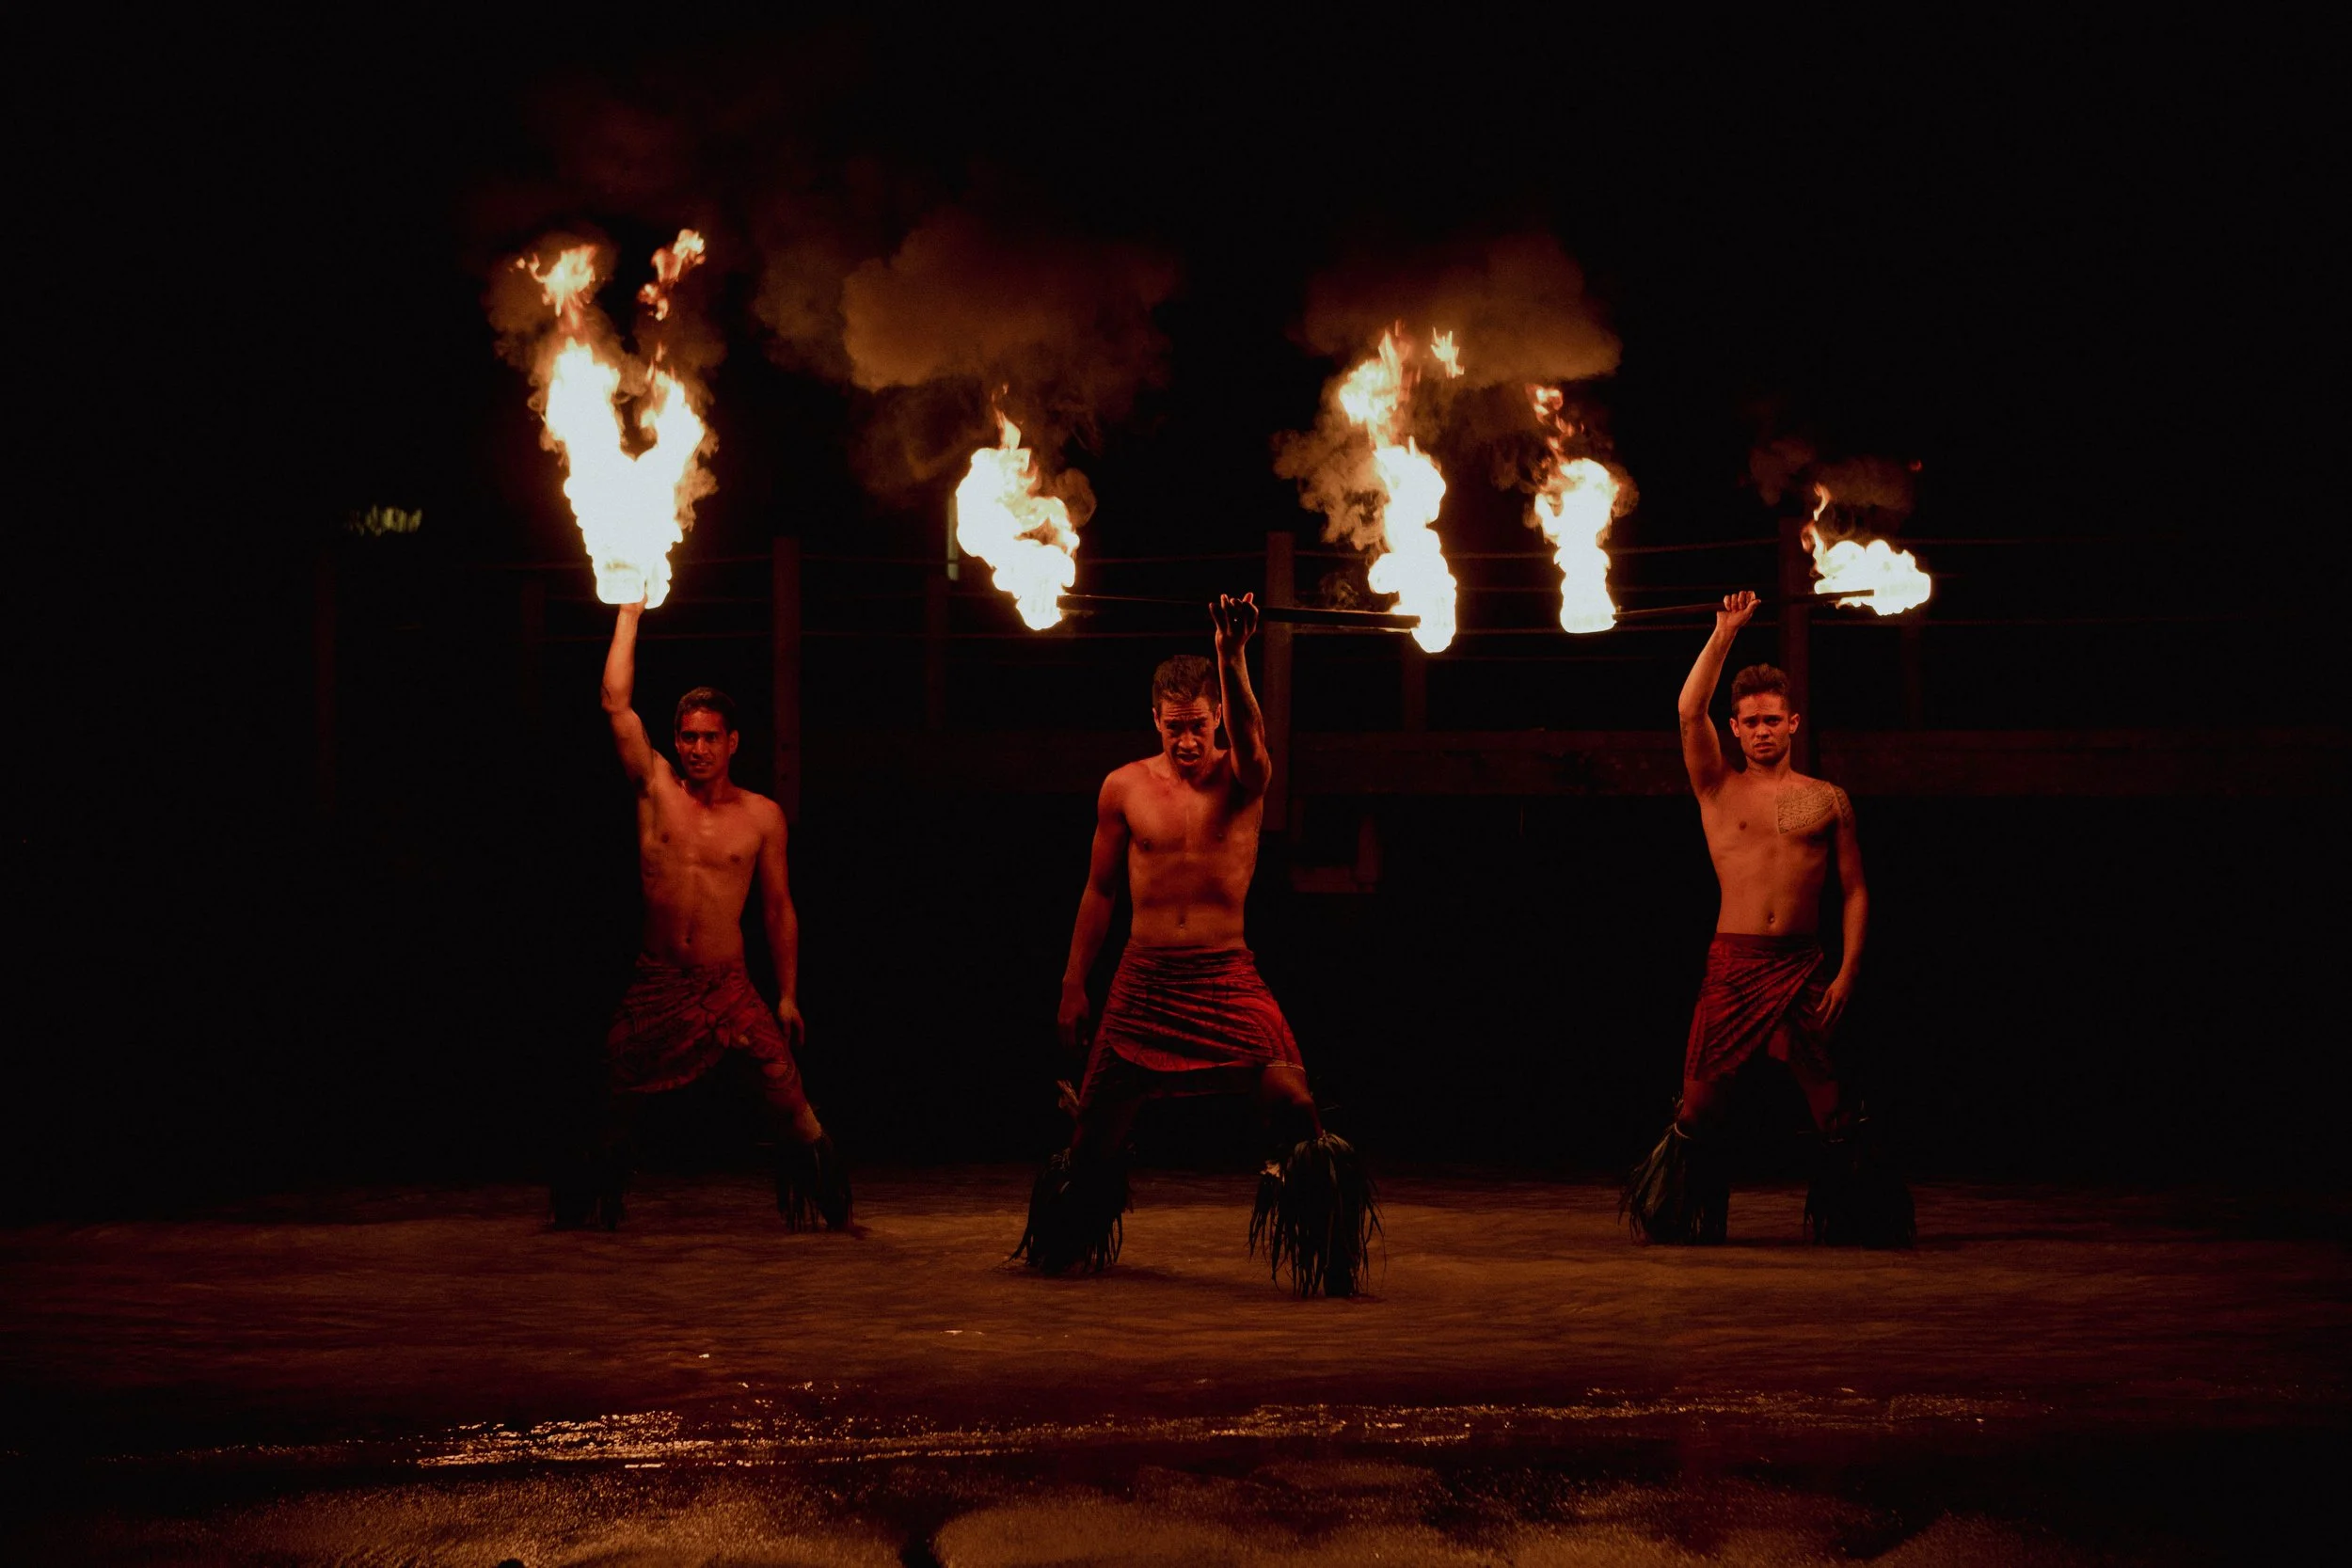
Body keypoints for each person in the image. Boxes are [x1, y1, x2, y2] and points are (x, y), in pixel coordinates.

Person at [1015, 594, 1377, 1296]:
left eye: (1200, 727)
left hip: (1223, 975)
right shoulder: (1123, 786)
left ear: (1218, 719)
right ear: (1155, 717)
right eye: (1175, 727)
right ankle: (1062, 1256)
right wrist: (1071, 982)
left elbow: (1254, 737)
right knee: (1091, 1141)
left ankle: (1328, 1256)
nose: (1187, 742)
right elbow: (1099, 891)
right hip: (1143, 979)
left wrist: (1232, 654)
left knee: (1295, 1100)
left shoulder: (1244, 778)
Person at [1622, 590, 1913, 1247]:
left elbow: (1857, 890)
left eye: (1772, 719)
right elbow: (1686, 708)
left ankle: (1856, 1217)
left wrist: (1846, 973)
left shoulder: (1827, 800)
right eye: (1749, 720)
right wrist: (1726, 631)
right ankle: (1682, 1213)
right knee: (1697, 1108)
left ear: (1793, 723)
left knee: (1833, 1107)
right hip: (1734, 964)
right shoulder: (1717, 787)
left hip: (1803, 966)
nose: (1761, 729)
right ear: (1735, 728)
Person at [551, 599, 850, 1232]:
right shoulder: (655, 789)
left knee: (793, 1105)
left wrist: (790, 994)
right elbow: (614, 703)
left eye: (709, 737)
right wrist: (630, 608)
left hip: (727, 987)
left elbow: (777, 907)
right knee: (608, 1105)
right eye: (687, 736)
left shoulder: (762, 815)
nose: (696, 748)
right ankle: (582, 1216)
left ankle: (839, 1219)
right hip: (657, 980)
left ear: (732, 742)